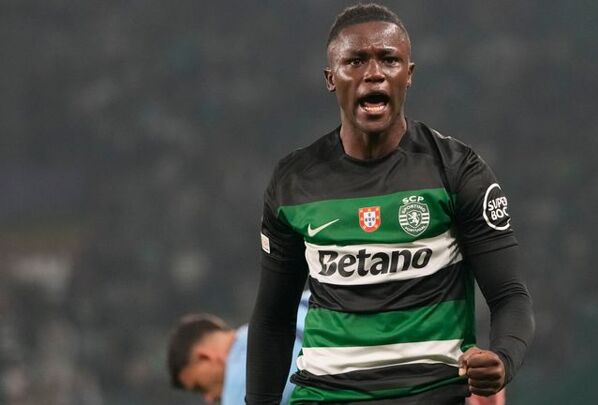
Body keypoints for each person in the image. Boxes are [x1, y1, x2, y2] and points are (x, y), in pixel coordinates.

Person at [247, 3, 534, 404]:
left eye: (389, 59)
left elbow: (510, 296)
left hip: (430, 396)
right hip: (325, 396)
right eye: (355, 61)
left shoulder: (456, 171)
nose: (374, 73)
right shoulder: (294, 182)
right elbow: (273, 318)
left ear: (408, 74)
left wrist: (503, 359)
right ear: (331, 78)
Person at [167, 291, 310, 404]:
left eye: (200, 387)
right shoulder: (300, 300)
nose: (209, 398)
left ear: (205, 357)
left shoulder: (241, 386)